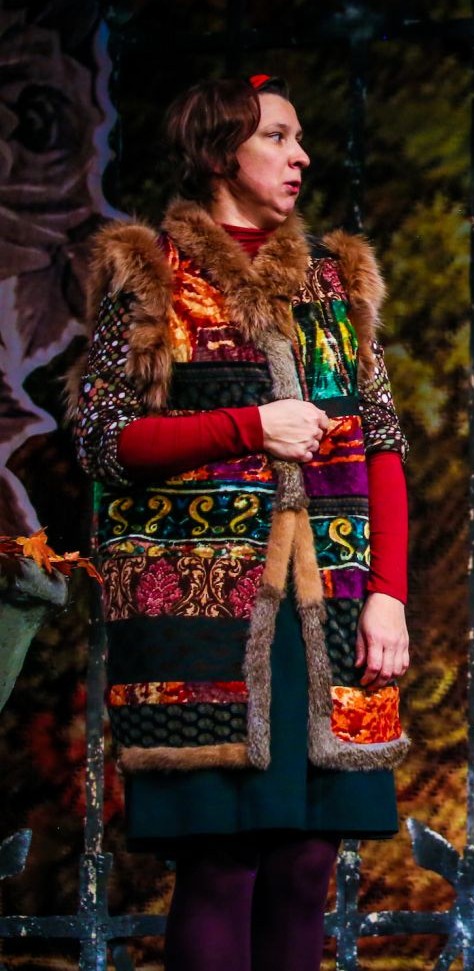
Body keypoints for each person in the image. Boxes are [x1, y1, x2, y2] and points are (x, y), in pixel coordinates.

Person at [70, 75, 411, 970]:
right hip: (202, 610)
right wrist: (247, 426)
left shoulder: (333, 281)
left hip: (331, 602)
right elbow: (106, 438)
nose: (301, 157)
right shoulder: (151, 274)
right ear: (223, 153)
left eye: (299, 139)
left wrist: (389, 593)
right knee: (223, 861)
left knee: (306, 862)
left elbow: (381, 441)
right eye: (277, 138)